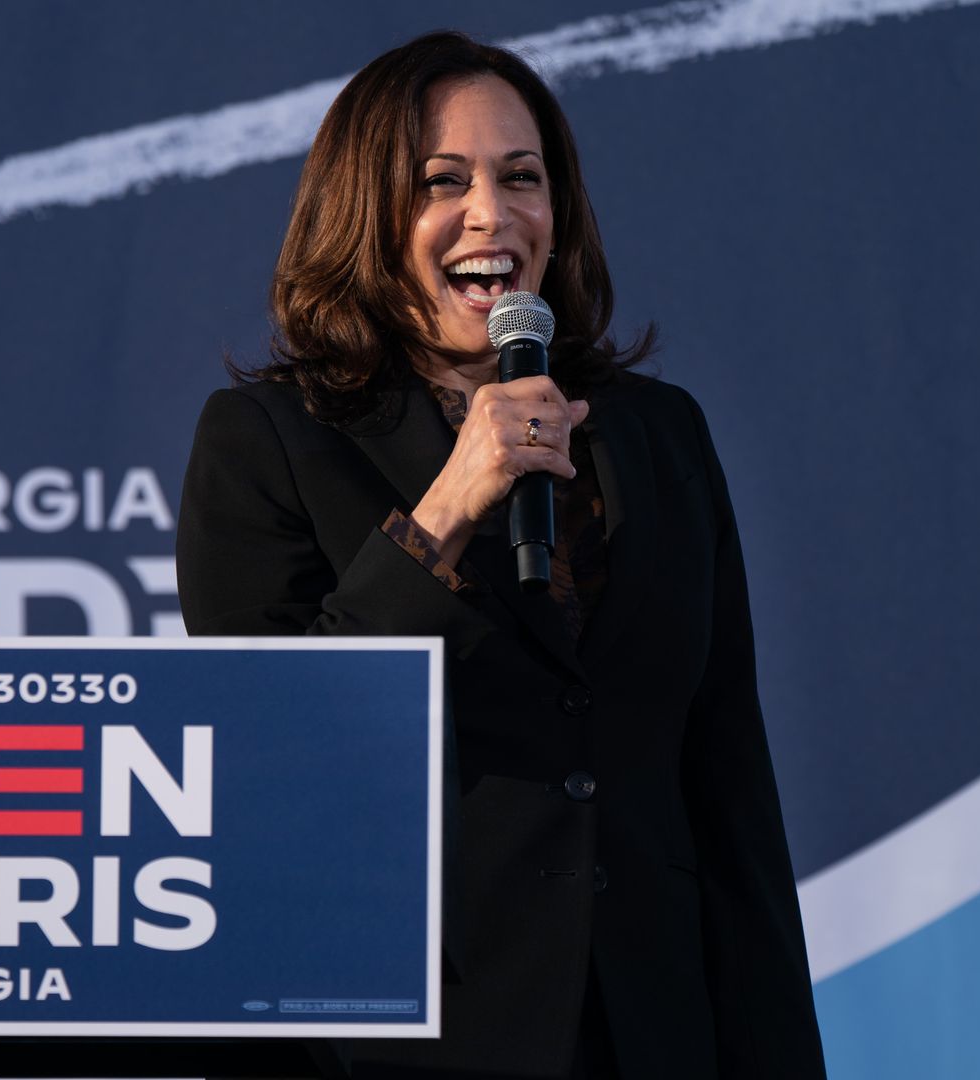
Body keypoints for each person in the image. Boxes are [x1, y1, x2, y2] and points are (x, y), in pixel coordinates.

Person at [175, 31, 826, 1080]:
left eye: (522, 177)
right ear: (363, 215)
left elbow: (728, 787)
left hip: (655, 1035)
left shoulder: (659, 433)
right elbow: (274, 758)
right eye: (442, 181)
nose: (492, 213)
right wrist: (447, 507)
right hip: (407, 1043)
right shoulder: (269, 440)